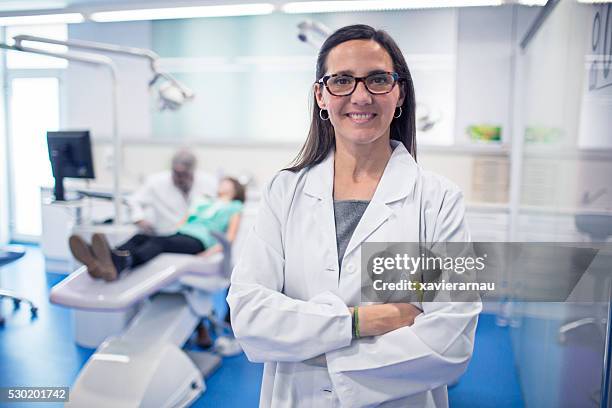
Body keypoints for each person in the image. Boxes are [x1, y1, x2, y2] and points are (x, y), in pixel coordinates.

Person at [227, 25, 481, 407]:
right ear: (321, 96)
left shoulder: (439, 199)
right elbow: (248, 314)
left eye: (378, 79)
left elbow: (451, 339)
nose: (360, 96)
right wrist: (362, 322)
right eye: (342, 80)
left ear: (399, 94)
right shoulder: (284, 191)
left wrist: (305, 338)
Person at [69, 177, 245, 282]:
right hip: (181, 234)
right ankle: (106, 258)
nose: (221, 184)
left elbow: (229, 238)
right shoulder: (205, 201)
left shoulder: (235, 207)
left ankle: (124, 262)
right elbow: (182, 223)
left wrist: (208, 254)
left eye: (227, 182)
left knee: (159, 242)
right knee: (141, 236)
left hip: (199, 242)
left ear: (235, 189)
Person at [128, 149, 218, 235]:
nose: (179, 178)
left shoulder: (209, 182)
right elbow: (134, 201)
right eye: (176, 173)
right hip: (164, 233)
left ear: (192, 171)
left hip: (196, 235)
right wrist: (139, 219)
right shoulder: (156, 181)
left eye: (184, 174)